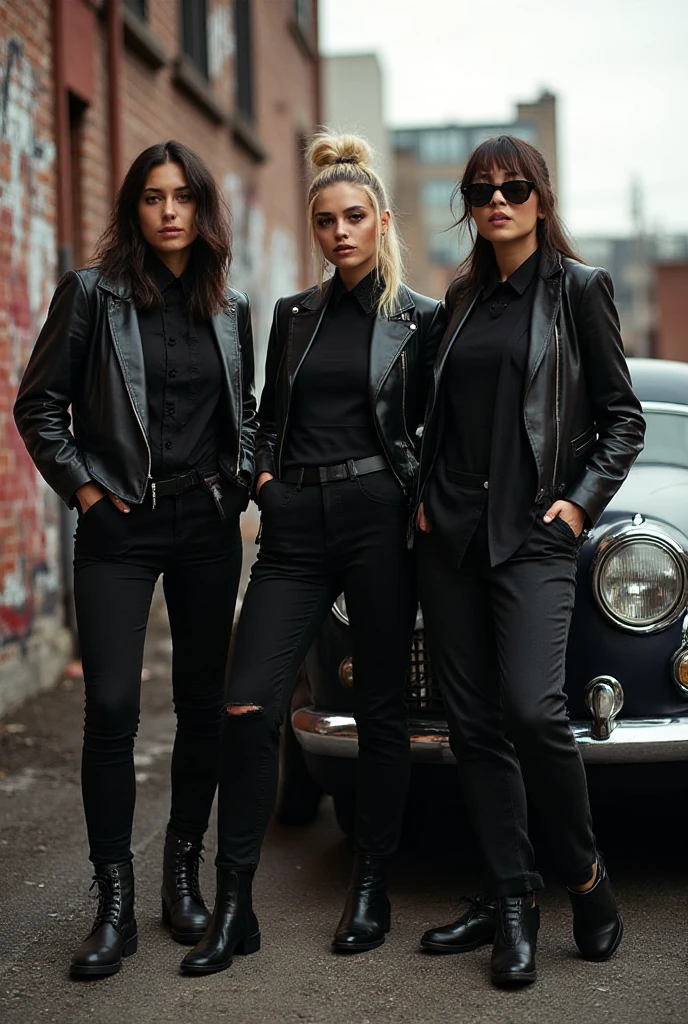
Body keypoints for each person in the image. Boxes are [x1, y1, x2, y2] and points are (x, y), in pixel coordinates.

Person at [180, 132, 446, 975]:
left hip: (379, 520)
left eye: (354, 217)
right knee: (248, 706)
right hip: (295, 525)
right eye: (325, 220)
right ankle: (236, 906)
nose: (339, 232)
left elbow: (439, 431)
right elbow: (264, 413)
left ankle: (371, 884)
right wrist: (263, 481)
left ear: (381, 221)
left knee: (381, 713)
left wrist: (418, 505)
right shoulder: (296, 314)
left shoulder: (422, 321)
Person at [14, 140, 256, 978]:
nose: (168, 211)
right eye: (153, 197)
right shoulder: (90, 295)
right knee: (111, 705)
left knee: (202, 703)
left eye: (183, 196)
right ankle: (112, 903)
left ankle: (179, 873)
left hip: (205, 524)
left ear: (202, 208)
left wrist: (238, 483)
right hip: (119, 525)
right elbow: (38, 406)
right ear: (134, 207)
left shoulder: (231, 307)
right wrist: (84, 492)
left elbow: (247, 411)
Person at [414, 135, 645, 986]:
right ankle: (511, 902)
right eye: (482, 190)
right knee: (471, 726)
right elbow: (436, 417)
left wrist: (578, 504)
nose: (498, 201)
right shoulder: (462, 297)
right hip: (452, 537)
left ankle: (586, 877)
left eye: (514, 187)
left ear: (541, 199)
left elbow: (623, 417)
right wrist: (424, 502)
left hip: (535, 534)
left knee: (533, 712)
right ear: (469, 205)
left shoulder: (579, 290)